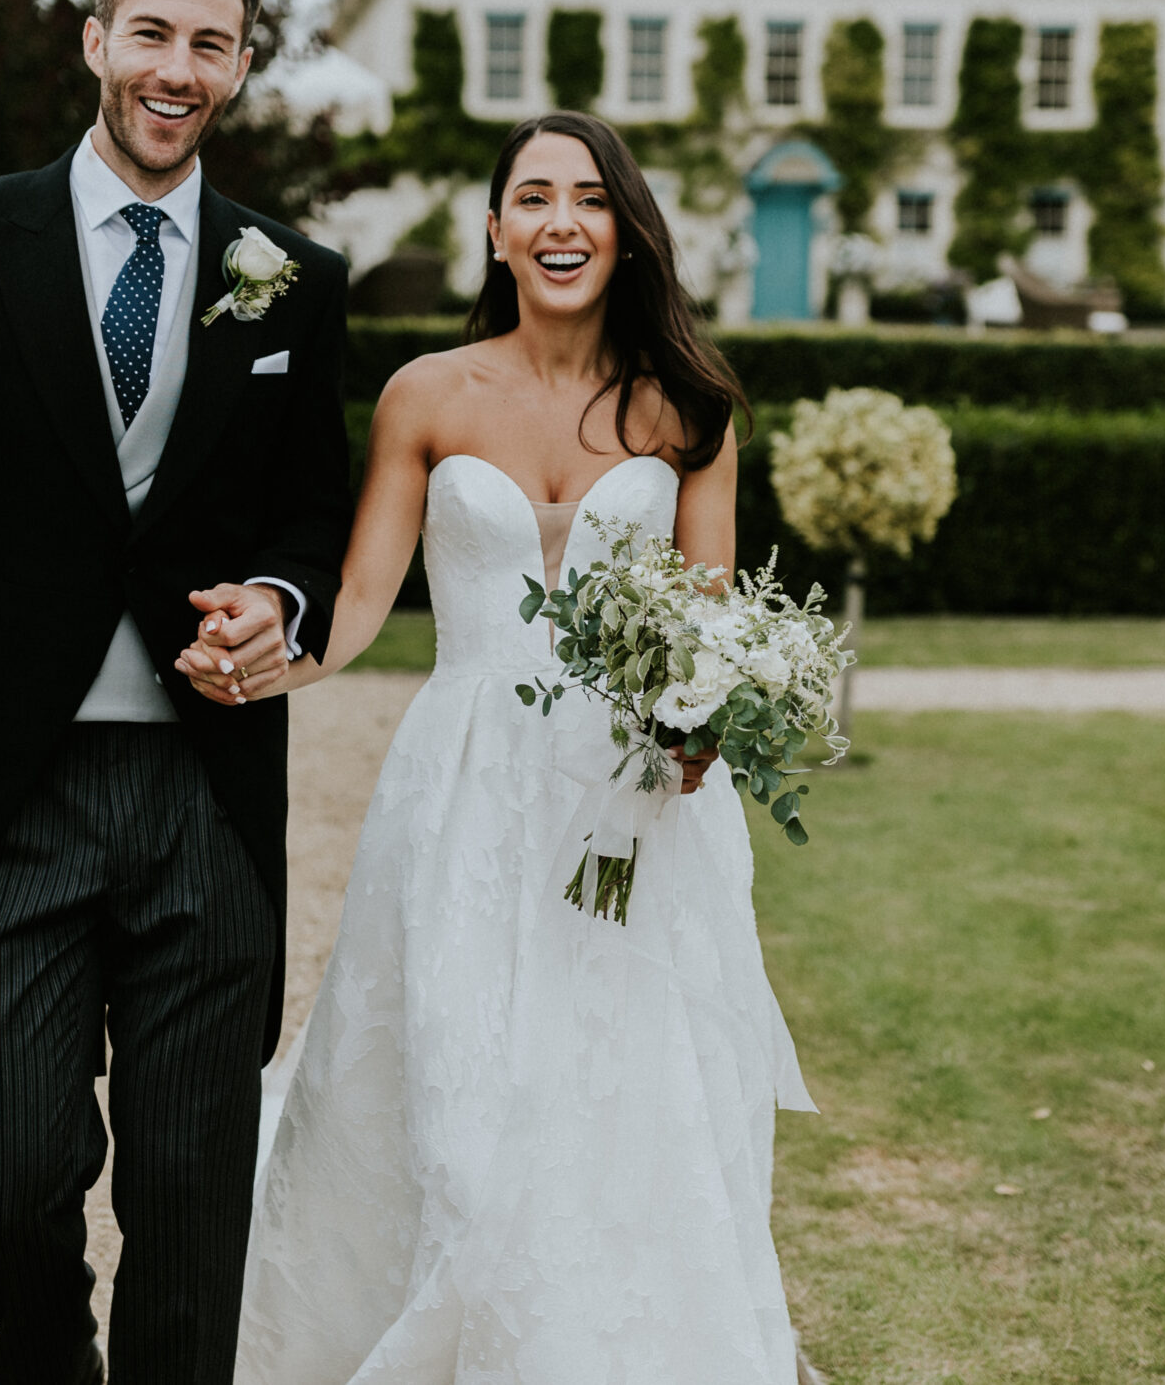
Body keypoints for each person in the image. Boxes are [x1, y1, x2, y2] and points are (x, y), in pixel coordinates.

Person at [0, 0, 352, 1385]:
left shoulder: (293, 278)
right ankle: (43, 1354)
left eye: (212, 44)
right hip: (5, 790)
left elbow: (317, 522)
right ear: (98, 38)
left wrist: (282, 605)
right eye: (153, 33)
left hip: (204, 798)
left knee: (188, 1195)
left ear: (240, 67)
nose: (178, 68)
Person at [178, 112, 817, 1383]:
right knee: (458, 1093)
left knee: (620, 1098)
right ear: (494, 231)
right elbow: (356, 610)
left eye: (590, 199)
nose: (561, 222)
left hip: (630, 805)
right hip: (463, 790)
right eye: (533, 198)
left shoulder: (690, 407)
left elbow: (709, 621)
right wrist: (260, 654)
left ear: (629, 233)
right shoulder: (425, 393)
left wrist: (705, 731)